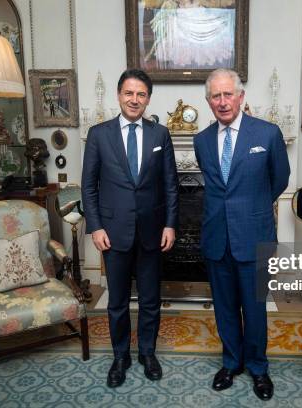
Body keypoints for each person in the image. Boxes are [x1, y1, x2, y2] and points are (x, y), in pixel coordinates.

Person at [193, 68, 290, 401]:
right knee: (224, 307)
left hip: (254, 235)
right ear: (209, 101)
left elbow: (280, 181)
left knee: (255, 308)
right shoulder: (201, 140)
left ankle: (259, 368)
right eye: (215, 96)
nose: (222, 102)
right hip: (217, 238)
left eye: (227, 94)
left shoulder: (267, 134)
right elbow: (215, 186)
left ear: (240, 96)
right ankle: (231, 362)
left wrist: (252, 209)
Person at [81, 69, 178, 388]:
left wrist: (170, 224)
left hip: (153, 231)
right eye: (129, 93)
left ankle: (147, 353)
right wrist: (95, 227)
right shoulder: (98, 134)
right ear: (118, 95)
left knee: (150, 299)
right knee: (117, 301)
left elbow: (171, 185)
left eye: (141, 94)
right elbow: (88, 187)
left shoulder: (159, 134)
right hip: (113, 232)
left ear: (148, 99)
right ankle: (120, 355)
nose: (135, 99)